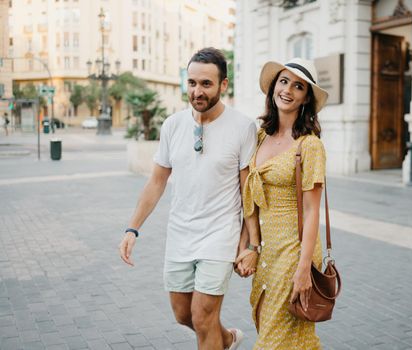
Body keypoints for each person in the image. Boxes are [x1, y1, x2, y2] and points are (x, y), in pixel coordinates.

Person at [119, 47, 258, 350]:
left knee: (202, 316)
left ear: (223, 85)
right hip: (180, 233)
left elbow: (248, 190)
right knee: (184, 315)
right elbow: (157, 181)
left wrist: (250, 243)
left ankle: (216, 338)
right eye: (192, 82)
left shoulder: (243, 127)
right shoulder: (173, 125)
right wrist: (132, 228)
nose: (197, 91)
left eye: (206, 84)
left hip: (220, 235)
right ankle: (228, 339)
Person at [236, 58, 329, 349]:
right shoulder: (260, 135)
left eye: (298, 86)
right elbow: (249, 196)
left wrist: (304, 268)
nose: (288, 90)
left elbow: (313, 211)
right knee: (271, 327)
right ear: (274, 87)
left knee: (272, 341)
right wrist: (248, 245)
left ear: (306, 98)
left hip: (293, 252)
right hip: (266, 253)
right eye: (283, 81)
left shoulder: (309, 145)